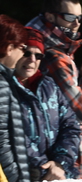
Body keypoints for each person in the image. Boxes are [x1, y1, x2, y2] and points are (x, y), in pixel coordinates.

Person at [26, 0, 82, 177]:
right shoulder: (53, 56)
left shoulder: (44, 47)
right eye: (70, 17)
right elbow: (81, 111)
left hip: (56, 162)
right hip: (60, 165)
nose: (77, 23)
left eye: (79, 17)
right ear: (50, 16)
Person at [13, 27, 81, 180]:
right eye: (26, 53)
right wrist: (45, 168)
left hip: (60, 174)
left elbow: (71, 126)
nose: (32, 60)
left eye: (38, 55)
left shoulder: (50, 86)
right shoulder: (6, 88)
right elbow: (13, 137)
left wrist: (59, 163)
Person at [0, 15, 30, 182]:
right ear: (10, 47)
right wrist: (17, 177)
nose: (23, 55)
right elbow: (2, 139)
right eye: (23, 48)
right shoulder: (1, 83)